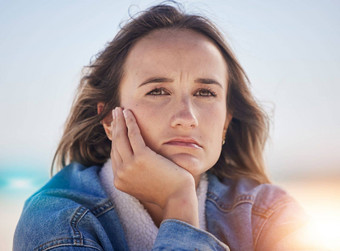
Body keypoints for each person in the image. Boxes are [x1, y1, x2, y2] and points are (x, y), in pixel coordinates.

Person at [14, 3, 321, 251]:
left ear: (226, 122)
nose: (187, 117)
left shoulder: (267, 212)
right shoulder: (56, 220)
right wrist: (180, 206)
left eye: (205, 93)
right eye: (157, 91)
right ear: (109, 119)